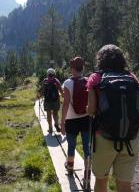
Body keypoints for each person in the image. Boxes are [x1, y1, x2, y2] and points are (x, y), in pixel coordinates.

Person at [87, 45, 139, 192]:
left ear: (100, 60)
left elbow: (91, 110)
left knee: (101, 180)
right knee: (125, 184)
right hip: (131, 138)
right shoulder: (132, 77)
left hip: (104, 138)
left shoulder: (95, 78)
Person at [60, 57, 91, 188]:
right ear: (82, 68)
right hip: (86, 118)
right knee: (86, 147)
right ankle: (88, 177)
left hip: (71, 120)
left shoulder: (67, 83)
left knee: (71, 145)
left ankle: (70, 168)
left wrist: (62, 122)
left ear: (72, 68)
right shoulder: (88, 81)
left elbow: (66, 103)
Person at [42, 68, 63, 133]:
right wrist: (62, 94)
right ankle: (56, 124)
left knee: (48, 114)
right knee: (55, 113)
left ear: (47, 74)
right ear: (54, 74)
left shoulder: (45, 81)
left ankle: (50, 128)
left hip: (47, 100)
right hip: (55, 100)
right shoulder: (56, 81)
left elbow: (43, 91)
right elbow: (61, 91)